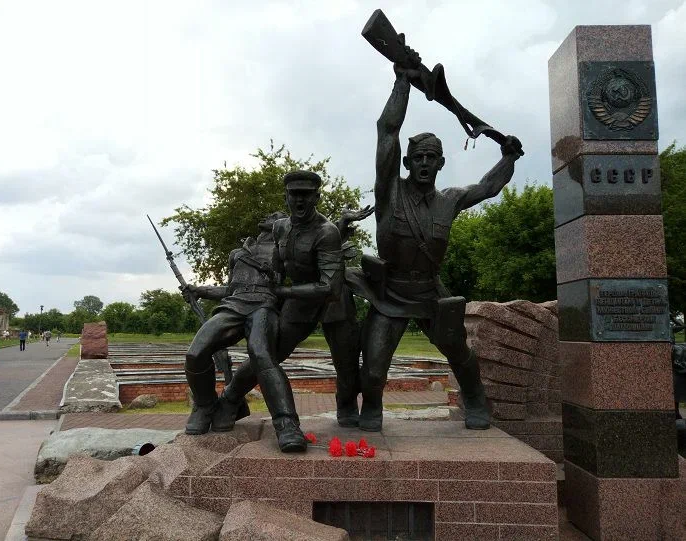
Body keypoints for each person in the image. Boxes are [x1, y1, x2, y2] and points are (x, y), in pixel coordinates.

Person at [346, 57, 523, 431]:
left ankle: (476, 400)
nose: (424, 163)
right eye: (418, 158)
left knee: (459, 353)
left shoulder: (450, 200)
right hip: (390, 294)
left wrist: (508, 157)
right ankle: (372, 406)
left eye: (431, 158)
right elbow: (387, 131)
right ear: (407, 162)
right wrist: (403, 83)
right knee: (373, 370)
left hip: (430, 293)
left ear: (441, 163)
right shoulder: (389, 191)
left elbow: (488, 187)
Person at [212, 170, 351, 431]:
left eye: (306, 195)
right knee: (269, 352)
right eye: (294, 194)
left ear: (317, 197)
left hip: (334, 301)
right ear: (286, 196)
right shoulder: (280, 227)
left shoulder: (327, 231)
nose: (299, 200)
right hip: (299, 300)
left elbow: (330, 287)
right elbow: (277, 267)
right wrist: (267, 292)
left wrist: (281, 292)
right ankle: (230, 399)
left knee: (346, 363)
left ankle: (349, 410)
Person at [181, 211, 307, 452]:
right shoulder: (238, 253)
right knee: (195, 353)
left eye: (277, 215)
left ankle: (287, 424)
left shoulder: (284, 251)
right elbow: (230, 289)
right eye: (271, 214)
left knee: (261, 354)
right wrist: (200, 290)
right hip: (233, 306)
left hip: (264, 306)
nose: (271, 215)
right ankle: (206, 405)